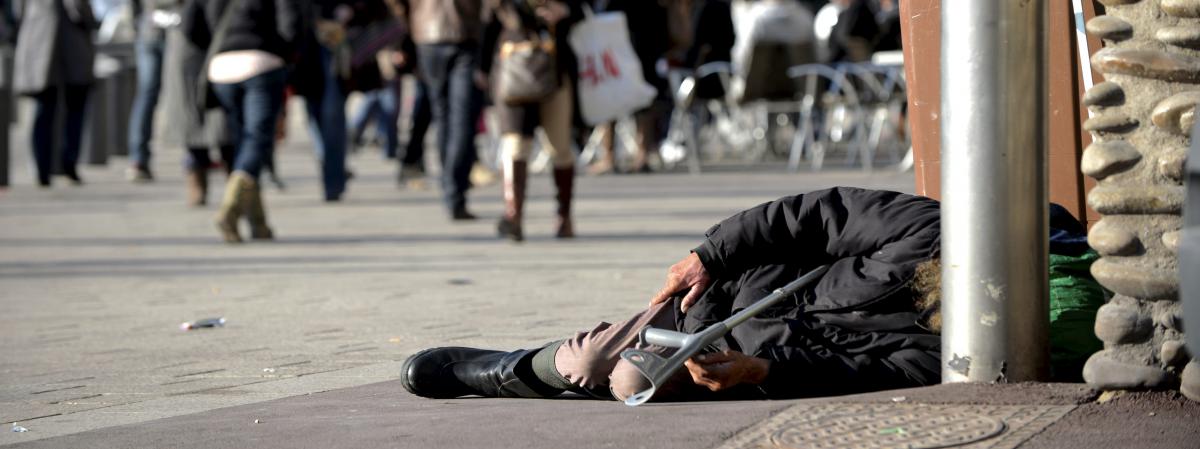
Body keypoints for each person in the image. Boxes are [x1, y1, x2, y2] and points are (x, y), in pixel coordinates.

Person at [403, 187, 945, 401]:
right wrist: (709, 255)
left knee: (628, 380)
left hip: (746, 359)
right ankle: (508, 369)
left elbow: (872, 376)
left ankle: (550, 376)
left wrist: (762, 372)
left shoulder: (955, 349)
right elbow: (810, 217)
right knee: (590, 359)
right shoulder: (934, 227)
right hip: (729, 292)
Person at [183, 0, 304, 242]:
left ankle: (258, 224)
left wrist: (220, 47)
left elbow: (189, 26)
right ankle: (231, 207)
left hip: (222, 68)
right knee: (258, 140)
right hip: (262, 64)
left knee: (243, 142)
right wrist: (278, 51)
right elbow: (291, 24)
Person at [480, 0, 583, 241]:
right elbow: (487, 26)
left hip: (556, 71)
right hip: (513, 72)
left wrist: (565, 10)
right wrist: (482, 68)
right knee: (515, 145)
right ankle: (514, 216)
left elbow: (583, 10)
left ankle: (564, 216)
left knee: (559, 147)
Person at [406, 0, 486, 220]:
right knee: (461, 119)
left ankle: (450, 188)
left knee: (443, 117)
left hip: (427, 33)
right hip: (464, 32)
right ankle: (455, 190)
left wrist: (414, 17)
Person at [12, 0, 96, 187]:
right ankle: (66, 164)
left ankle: (44, 168)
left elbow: (18, 12)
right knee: (69, 108)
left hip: (41, 41)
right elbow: (79, 8)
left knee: (46, 109)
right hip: (64, 44)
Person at [160, 0, 235, 206]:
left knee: (225, 117)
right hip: (186, 37)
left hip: (224, 30)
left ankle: (236, 183)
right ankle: (197, 173)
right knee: (189, 112)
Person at [126, 0, 182, 183]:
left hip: (149, 26)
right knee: (182, 90)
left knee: (147, 95)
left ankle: (138, 159)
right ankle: (196, 157)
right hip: (174, 25)